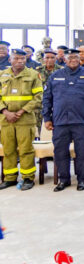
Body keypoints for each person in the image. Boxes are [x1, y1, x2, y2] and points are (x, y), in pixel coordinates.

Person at [42, 48, 84, 191]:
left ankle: (82, 179)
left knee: (82, 151)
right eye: (70, 58)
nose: (73, 60)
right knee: (60, 151)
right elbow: (47, 98)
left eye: (76, 57)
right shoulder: (55, 76)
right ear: (64, 59)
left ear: (80, 58)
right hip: (60, 121)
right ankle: (64, 180)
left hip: (82, 121)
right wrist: (47, 118)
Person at [0, 49, 43, 190]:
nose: (20, 61)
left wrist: (20, 112)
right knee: (8, 150)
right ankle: (10, 178)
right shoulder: (3, 75)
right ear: (10, 60)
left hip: (25, 119)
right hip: (6, 119)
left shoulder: (33, 75)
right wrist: (5, 112)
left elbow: (38, 98)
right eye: (17, 58)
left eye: (23, 58)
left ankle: (28, 178)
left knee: (26, 149)